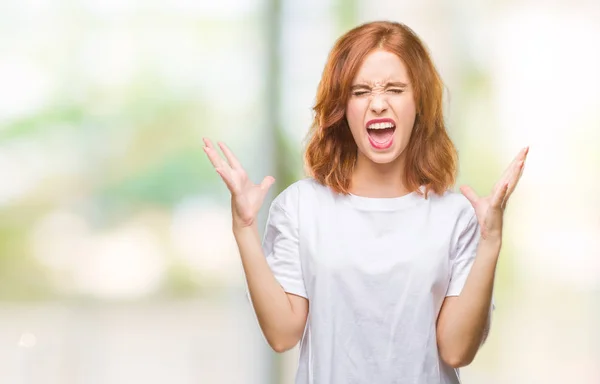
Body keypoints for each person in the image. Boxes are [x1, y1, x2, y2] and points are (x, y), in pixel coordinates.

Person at [203, 20, 528, 384]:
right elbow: (282, 334)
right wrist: (245, 229)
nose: (377, 104)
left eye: (395, 89)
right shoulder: (300, 207)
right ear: (343, 108)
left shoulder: (454, 216)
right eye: (360, 92)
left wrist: (491, 243)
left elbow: (456, 351)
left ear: (418, 101)